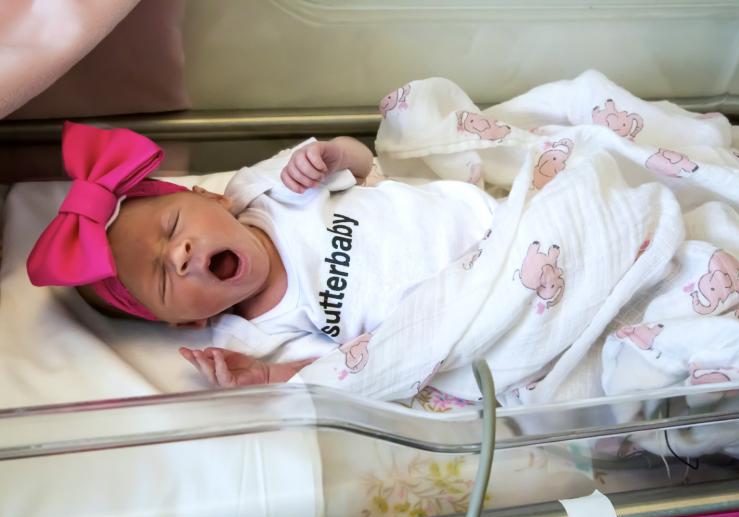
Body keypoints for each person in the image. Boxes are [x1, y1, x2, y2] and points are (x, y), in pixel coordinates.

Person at [27, 122, 495, 388]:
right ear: (187, 322)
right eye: (163, 279)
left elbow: (362, 166)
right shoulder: (253, 335)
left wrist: (334, 154)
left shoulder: (267, 190)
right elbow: (342, 368)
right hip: (471, 311)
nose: (179, 255)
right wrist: (269, 375)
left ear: (212, 198)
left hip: (481, 220)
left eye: (172, 227)